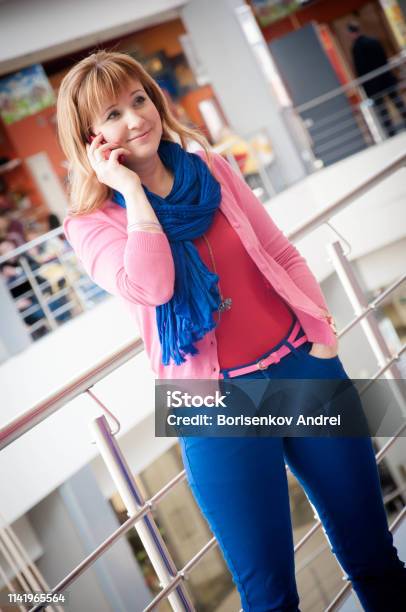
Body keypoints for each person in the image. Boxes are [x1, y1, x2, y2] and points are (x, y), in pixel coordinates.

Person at [56, 50, 406, 611]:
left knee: (373, 555)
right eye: (113, 115)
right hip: (207, 405)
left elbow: (279, 251)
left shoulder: (212, 168)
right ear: (90, 137)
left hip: (303, 371)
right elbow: (152, 288)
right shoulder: (91, 224)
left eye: (139, 100)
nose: (135, 119)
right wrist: (132, 192)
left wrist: (322, 339)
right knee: (268, 597)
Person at [348, 22, 406, 137]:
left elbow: (360, 68)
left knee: (382, 109)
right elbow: (384, 58)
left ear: (351, 33)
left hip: (373, 85)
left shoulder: (356, 48)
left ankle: (390, 132)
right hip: (386, 79)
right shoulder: (373, 41)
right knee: (397, 102)